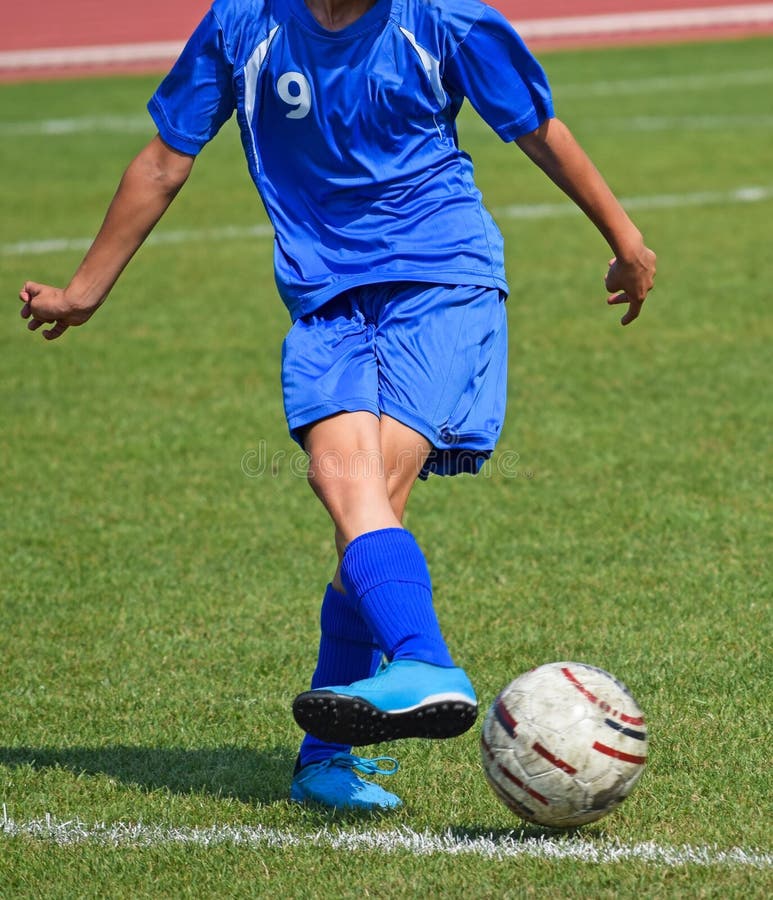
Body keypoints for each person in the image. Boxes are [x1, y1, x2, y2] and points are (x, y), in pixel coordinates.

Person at [18, 0, 656, 811]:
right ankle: (344, 745)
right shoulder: (241, 26)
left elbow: (538, 128)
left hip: (442, 283)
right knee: (348, 492)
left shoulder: (445, 21)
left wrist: (624, 240)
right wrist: (83, 292)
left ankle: (399, 683)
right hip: (324, 301)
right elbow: (162, 161)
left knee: (368, 492)